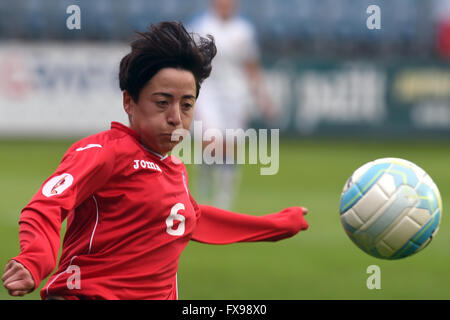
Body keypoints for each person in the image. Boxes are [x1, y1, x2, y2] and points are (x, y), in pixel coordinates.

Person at [1, 21, 308, 300]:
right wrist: (36, 258)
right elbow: (47, 204)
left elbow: (191, 220)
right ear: (129, 102)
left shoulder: (173, 168)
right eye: (162, 103)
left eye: (187, 105)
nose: (176, 118)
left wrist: (276, 224)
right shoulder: (105, 152)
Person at [189, 0, 277, 210]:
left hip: (236, 95)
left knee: (230, 145)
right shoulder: (201, 26)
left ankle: (224, 197)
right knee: (211, 141)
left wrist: (263, 98)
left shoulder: (244, 30)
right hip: (208, 92)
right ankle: (204, 183)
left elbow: (251, 66)